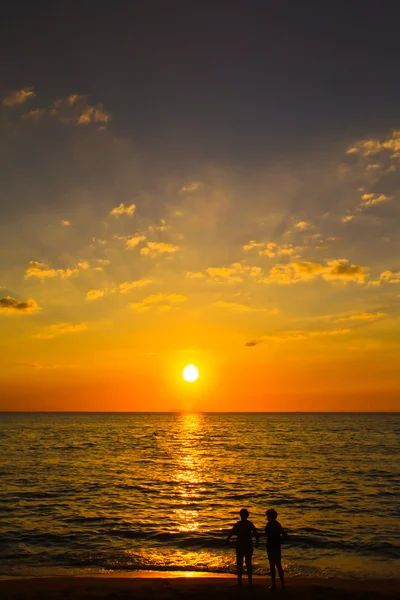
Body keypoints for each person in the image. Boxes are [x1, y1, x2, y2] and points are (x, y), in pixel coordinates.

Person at [227, 508, 259, 585]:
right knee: (248, 563)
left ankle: (240, 581)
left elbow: (231, 532)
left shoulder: (238, 524)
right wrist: (257, 543)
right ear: (247, 515)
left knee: (240, 563)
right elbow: (256, 534)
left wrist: (227, 539)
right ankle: (249, 581)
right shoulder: (249, 524)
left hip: (240, 544)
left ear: (240, 515)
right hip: (248, 544)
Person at [265, 508, 288, 591]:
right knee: (278, 565)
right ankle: (282, 584)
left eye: (267, 516)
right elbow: (283, 533)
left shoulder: (269, 525)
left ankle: (274, 584)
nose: (267, 517)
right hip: (276, 546)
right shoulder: (278, 524)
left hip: (271, 546)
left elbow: (267, 534)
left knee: (272, 565)